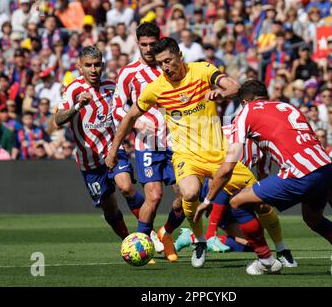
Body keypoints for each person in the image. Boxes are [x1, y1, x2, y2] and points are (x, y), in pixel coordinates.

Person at [195, 80, 332, 276]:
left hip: (299, 174)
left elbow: (228, 166)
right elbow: (316, 147)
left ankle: (265, 259)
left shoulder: (246, 112)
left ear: (244, 101)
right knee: (314, 220)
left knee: (237, 202)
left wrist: (208, 199)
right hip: (325, 168)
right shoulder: (287, 107)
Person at [106, 37, 256, 269]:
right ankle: (192, 240)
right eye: (160, 63)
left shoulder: (202, 70)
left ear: (179, 56)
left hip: (215, 150)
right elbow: (128, 115)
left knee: (253, 201)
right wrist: (114, 148)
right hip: (169, 148)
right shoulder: (152, 85)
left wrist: (220, 93)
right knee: (168, 194)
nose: (164, 67)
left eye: (167, 61)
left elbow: (235, 88)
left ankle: (168, 231)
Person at [176, 124, 298, 268]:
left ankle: (282, 250)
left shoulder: (264, 144)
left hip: (235, 195)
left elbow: (262, 177)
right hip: (214, 189)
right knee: (224, 183)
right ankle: (207, 237)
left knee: (252, 238)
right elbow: (219, 176)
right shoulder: (225, 132)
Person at [112, 22, 184, 262]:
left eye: (153, 44)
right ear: (137, 44)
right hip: (147, 144)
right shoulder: (129, 73)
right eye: (144, 45)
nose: (149, 49)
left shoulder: (170, 69)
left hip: (176, 142)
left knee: (187, 197)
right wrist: (135, 123)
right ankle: (142, 243)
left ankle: (166, 232)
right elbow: (117, 108)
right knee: (153, 196)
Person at [54, 46, 132, 245]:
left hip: (112, 150)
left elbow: (126, 114)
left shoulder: (112, 87)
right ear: (80, 67)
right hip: (90, 162)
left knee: (125, 186)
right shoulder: (73, 89)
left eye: (97, 65)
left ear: (103, 65)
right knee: (110, 208)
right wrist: (78, 105)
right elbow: (58, 119)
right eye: (88, 65)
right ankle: (129, 241)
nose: (93, 69)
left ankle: (147, 233)